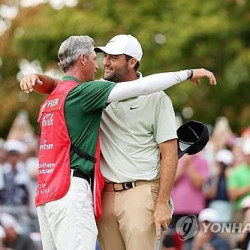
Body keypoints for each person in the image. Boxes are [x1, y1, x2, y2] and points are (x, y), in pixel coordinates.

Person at [20, 35, 216, 250]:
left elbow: (168, 151)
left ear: (132, 62)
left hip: (140, 192)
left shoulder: (156, 98)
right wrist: (35, 76)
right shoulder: (93, 91)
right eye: (103, 57)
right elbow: (62, 84)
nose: (104, 62)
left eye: (113, 57)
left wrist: (162, 202)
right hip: (103, 197)